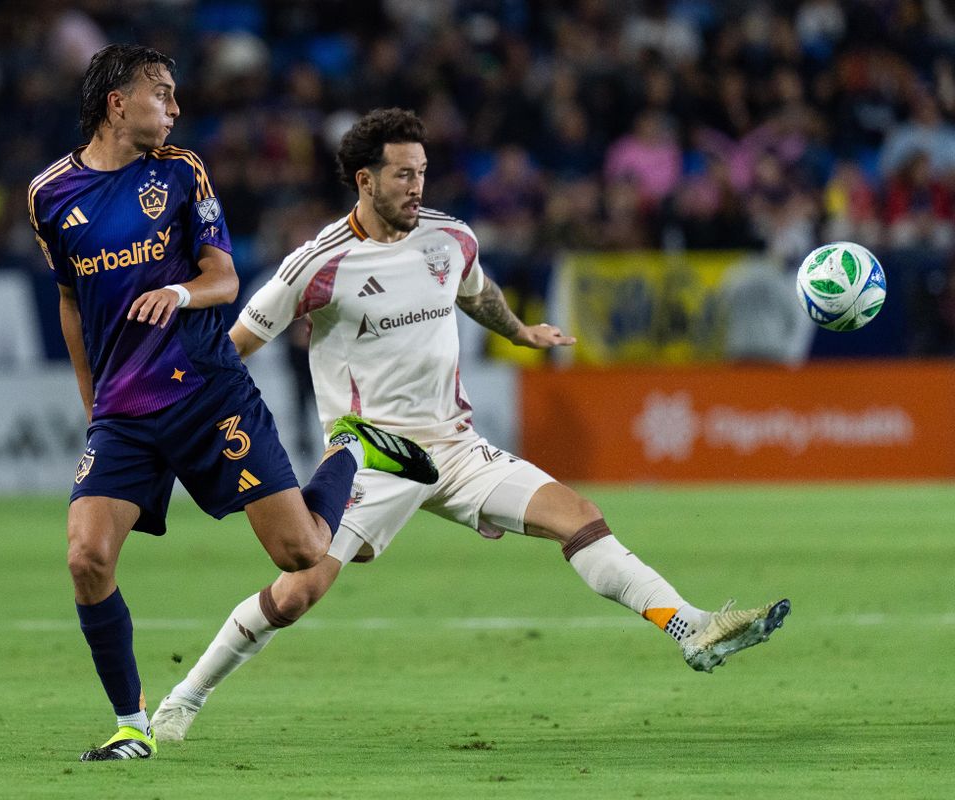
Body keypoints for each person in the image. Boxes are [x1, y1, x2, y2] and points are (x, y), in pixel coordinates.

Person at [150, 108, 791, 741]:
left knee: (578, 516)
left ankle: (692, 628)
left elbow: (475, 293)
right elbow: (234, 349)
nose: (416, 186)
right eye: (402, 174)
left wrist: (521, 331)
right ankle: (183, 700)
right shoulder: (316, 265)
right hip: (370, 457)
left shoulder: (450, 238)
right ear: (365, 181)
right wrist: (176, 408)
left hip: (456, 448)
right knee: (294, 596)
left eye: (422, 172)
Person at [29, 50, 437, 762]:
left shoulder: (181, 172)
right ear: (117, 104)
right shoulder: (50, 195)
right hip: (126, 412)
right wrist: (93, 402)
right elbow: (70, 301)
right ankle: (133, 725)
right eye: (163, 93)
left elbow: (223, 275)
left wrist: (181, 293)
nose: (176, 107)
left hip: (207, 391)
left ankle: (353, 447)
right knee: (86, 558)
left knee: (302, 550)